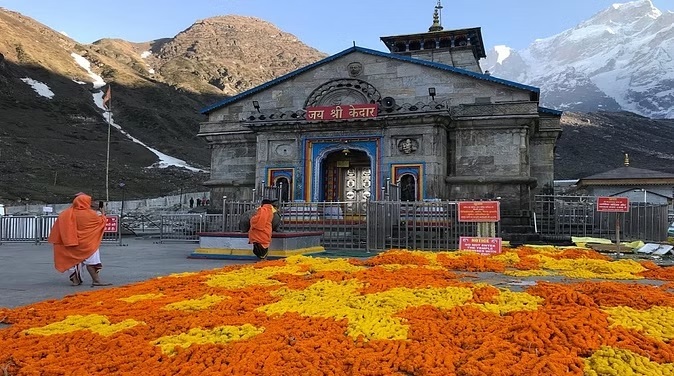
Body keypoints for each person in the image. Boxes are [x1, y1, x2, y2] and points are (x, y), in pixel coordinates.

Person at [47, 193, 112, 287]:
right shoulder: (91, 214)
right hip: (88, 243)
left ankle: (75, 281)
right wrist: (102, 212)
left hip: (70, 242)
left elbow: (59, 228)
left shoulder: (65, 214)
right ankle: (96, 280)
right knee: (92, 261)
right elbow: (102, 221)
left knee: (71, 262)